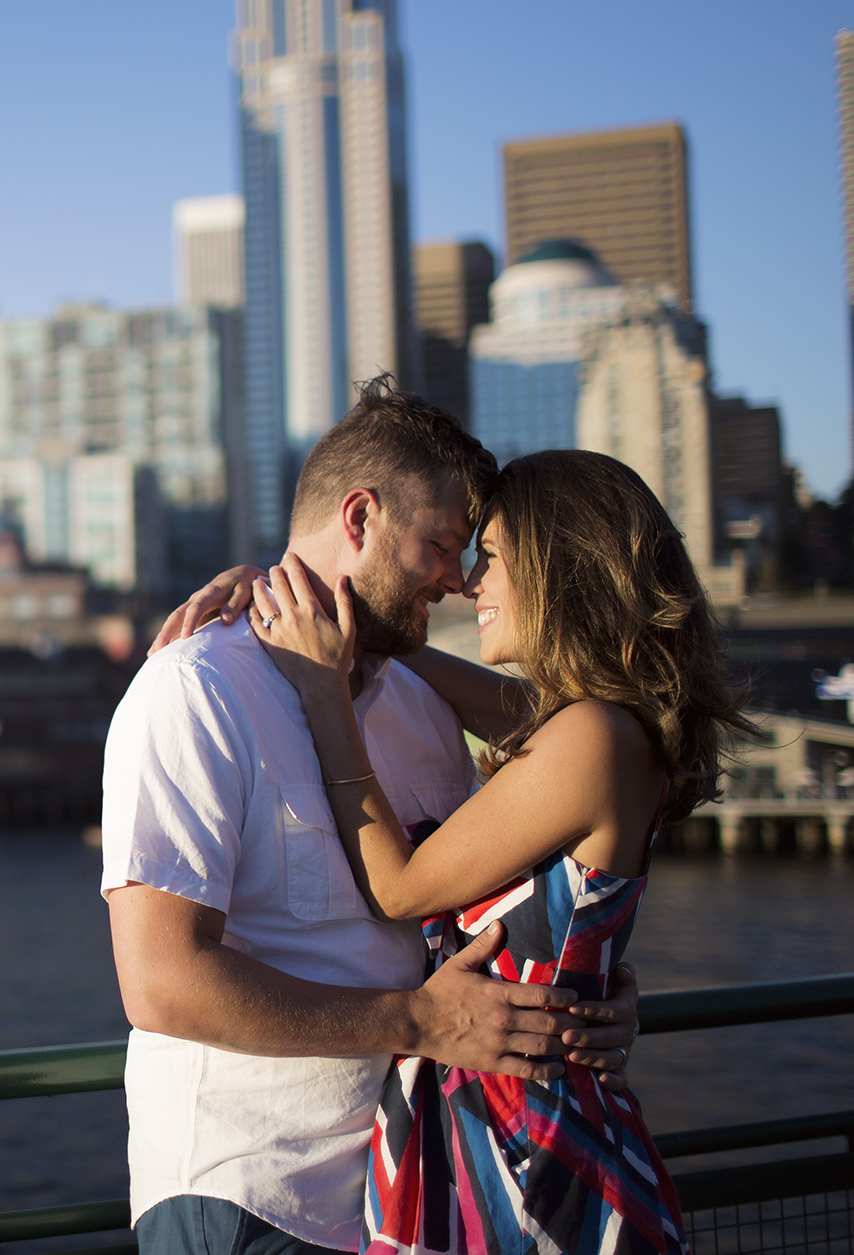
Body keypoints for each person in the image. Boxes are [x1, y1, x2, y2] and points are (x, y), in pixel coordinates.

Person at [103, 379, 640, 1255]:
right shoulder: (196, 689)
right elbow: (161, 983)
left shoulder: (423, 703)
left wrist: (586, 994)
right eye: (438, 545)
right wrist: (420, 1023)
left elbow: (499, 899)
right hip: (254, 1196)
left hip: (416, 1194)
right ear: (359, 518)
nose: (459, 581)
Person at [214, 449, 754, 1255]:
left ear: (560, 569)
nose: (469, 585)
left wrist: (327, 689)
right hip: (503, 1117)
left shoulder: (593, 740)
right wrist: (320, 611)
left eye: (493, 558)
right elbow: (466, 687)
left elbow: (398, 890)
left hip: (527, 1149)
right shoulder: (593, 728)